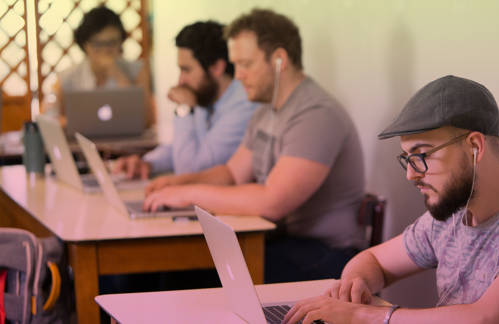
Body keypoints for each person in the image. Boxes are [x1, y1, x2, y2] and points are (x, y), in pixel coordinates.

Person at [283, 75, 499, 324]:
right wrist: (354, 285)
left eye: (421, 155)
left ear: (475, 146)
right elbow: (372, 260)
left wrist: (365, 315)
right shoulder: (454, 209)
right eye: (407, 159)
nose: (411, 175)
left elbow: (487, 318)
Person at [143, 9, 366, 283]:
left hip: (327, 255)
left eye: (246, 64)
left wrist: (188, 194)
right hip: (280, 242)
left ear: (279, 60)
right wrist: (177, 184)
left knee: (185, 275)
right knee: (166, 270)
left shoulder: (316, 114)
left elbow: (271, 202)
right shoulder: (265, 110)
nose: (237, 76)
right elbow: (232, 174)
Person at [114, 21, 257, 179]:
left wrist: (185, 109)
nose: (180, 80)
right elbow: (182, 149)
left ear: (216, 68)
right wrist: (147, 162)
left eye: (186, 70)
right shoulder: (207, 95)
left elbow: (190, 171)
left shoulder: (244, 106)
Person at [43, 5, 154, 125]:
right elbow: (50, 118)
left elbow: (147, 120)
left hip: (130, 142)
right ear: (85, 45)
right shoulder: (67, 76)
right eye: (97, 44)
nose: (105, 50)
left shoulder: (137, 70)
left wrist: (117, 74)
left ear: (121, 41)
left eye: (112, 42)